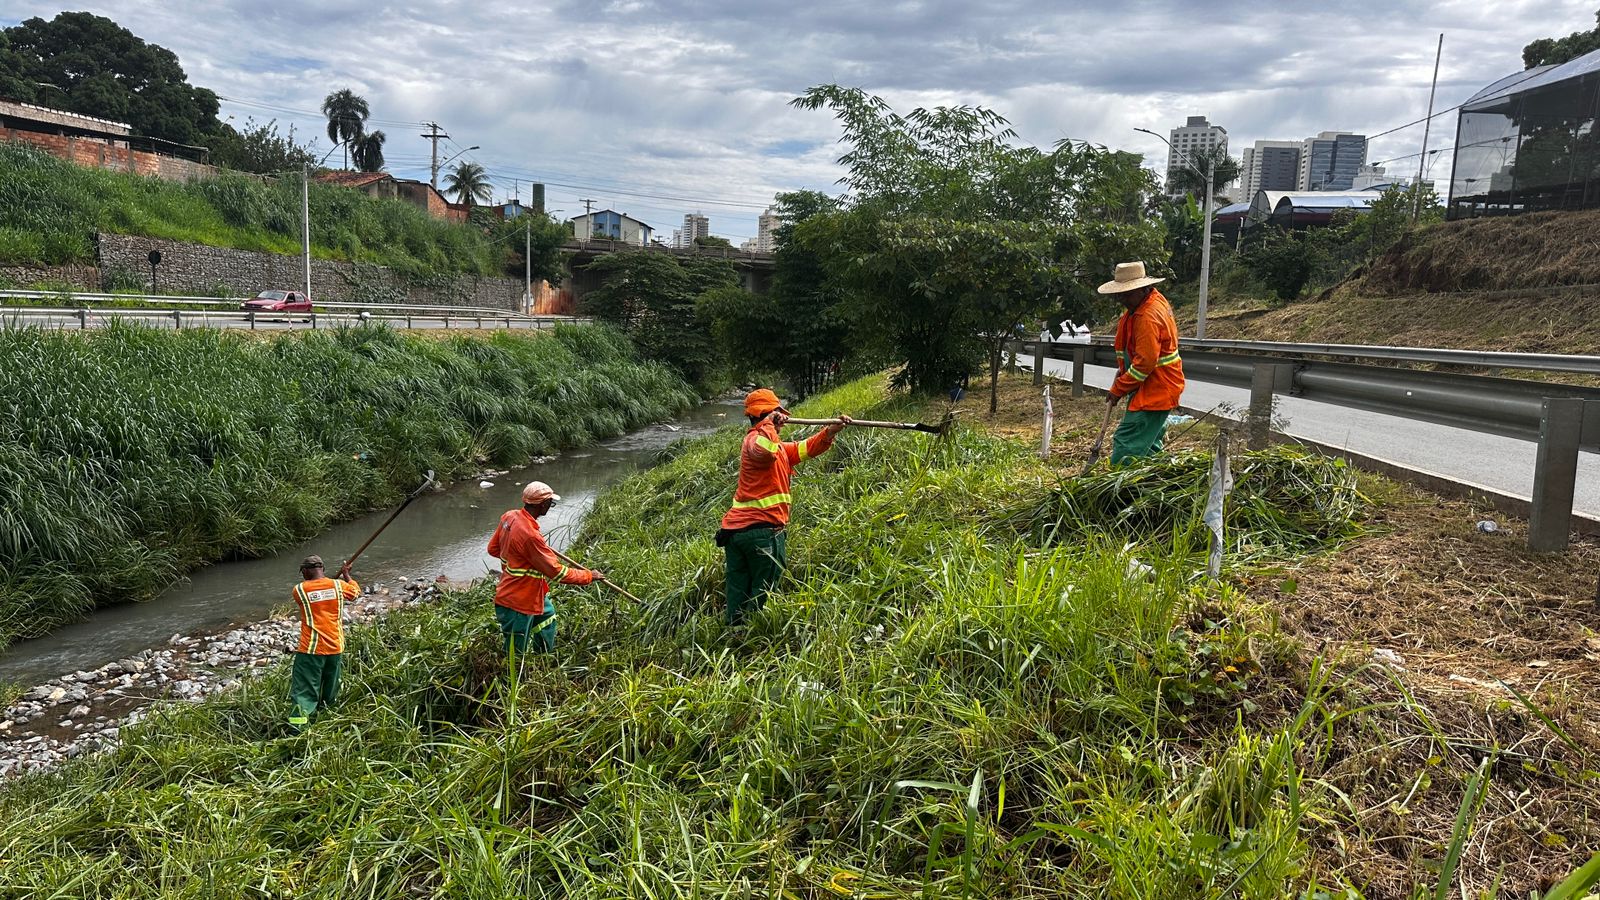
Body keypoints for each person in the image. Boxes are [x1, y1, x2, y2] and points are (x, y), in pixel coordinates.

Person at [716, 389, 852, 626]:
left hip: (738, 532)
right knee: (764, 589)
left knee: (739, 587)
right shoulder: (755, 440)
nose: (781, 420)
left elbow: (806, 448)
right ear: (765, 415)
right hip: (762, 532)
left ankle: (734, 631)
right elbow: (764, 452)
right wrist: (768, 424)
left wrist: (830, 431)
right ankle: (751, 633)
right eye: (776, 413)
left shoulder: (778, 448)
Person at [487, 481, 601, 655]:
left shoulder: (509, 517)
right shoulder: (530, 536)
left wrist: (523, 555)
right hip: (517, 601)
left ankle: (543, 658)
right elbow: (557, 573)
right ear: (543, 504)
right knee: (516, 652)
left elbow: (493, 549)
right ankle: (514, 671)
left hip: (532, 593)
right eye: (550, 503)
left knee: (547, 617)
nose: (550, 506)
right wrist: (589, 576)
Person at [1099, 261, 1186, 464]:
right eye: (1119, 295)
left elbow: (1144, 363)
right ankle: (1153, 477)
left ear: (1143, 289)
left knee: (1128, 442)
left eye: (1127, 294)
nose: (1122, 300)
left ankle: (1122, 482)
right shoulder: (1148, 302)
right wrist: (1123, 370)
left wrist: (1118, 389)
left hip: (1156, 388)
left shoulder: (1148, 316)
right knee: (1148, 444)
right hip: (1152, 386)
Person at [288, 555, 361, 731]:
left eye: (303, 572)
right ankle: (327, 721)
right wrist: (346, 574)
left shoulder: (299, 590)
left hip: (311, 649)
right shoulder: (339, 586)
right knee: (330, 687)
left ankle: (298, 730)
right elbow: (355, 592)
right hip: (335, 647)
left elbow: (315, 595)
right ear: (322, 569)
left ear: (306, 571)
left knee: (304, 690)